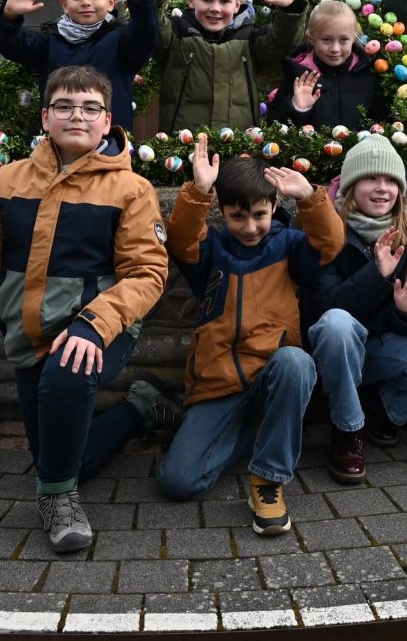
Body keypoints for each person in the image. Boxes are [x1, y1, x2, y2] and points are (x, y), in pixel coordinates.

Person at [0, 66, 175, 553]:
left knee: (67, 382)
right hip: (30, 333)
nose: (77, 116)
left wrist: (93, 325)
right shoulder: (8, 179)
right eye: (65, 106)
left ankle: (58, 502)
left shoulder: (131, 189)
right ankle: (139, 409)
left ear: (107, 120)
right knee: (66, 458)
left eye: (90, 108)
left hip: (98, 330)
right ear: (46, 117)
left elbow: (147, 273)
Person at [157, 135, 344, 535]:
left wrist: (310, 197)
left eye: (259, 215)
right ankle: (253, 432)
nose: (249, 226)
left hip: (270, 377)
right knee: (178, 482)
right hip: (219, 385)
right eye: (237, 216)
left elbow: (329, 245)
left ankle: (268, 479)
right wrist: (199, 190)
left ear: (274, 206)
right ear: (222, 211)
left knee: (297, 362)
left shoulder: (290, 246)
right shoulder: (212, 250)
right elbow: (182, 241)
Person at [306, 133, 407, 484]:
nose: (382, 188)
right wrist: (376, 274)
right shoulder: (329, 234)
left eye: (391, 180)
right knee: (336, 323)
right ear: (351, 186)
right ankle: (347, 430)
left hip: (380, 350)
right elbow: (324, 308)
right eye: (371, 178)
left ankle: (384, 413)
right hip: (336, 351)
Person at [147, 0, 307, 133]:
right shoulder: (176, 36)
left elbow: (283, 42)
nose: (215, 8)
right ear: (191, 0)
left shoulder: (249, 41)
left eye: (224, 1)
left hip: (239, 148)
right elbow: (150, 26)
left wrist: (291, 8)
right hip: (184, 147)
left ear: (237, 5)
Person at [0, 0, 164, 131]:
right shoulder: (48, 41)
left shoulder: (122, 40)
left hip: (110, 142)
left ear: (111, 2)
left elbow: (146, 35)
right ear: (65, 5)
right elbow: (9, 44)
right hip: (60, 140)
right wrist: (8, 15)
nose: (86, 2)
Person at [268, 0, 387, 132]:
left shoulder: (368, 74)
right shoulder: (299, 76)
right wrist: (296, 107)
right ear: (311, 39)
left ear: (353, 38)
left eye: (343, 40)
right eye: (326, 40)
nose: (335, 49)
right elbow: (273, 126)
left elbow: (383, 121)